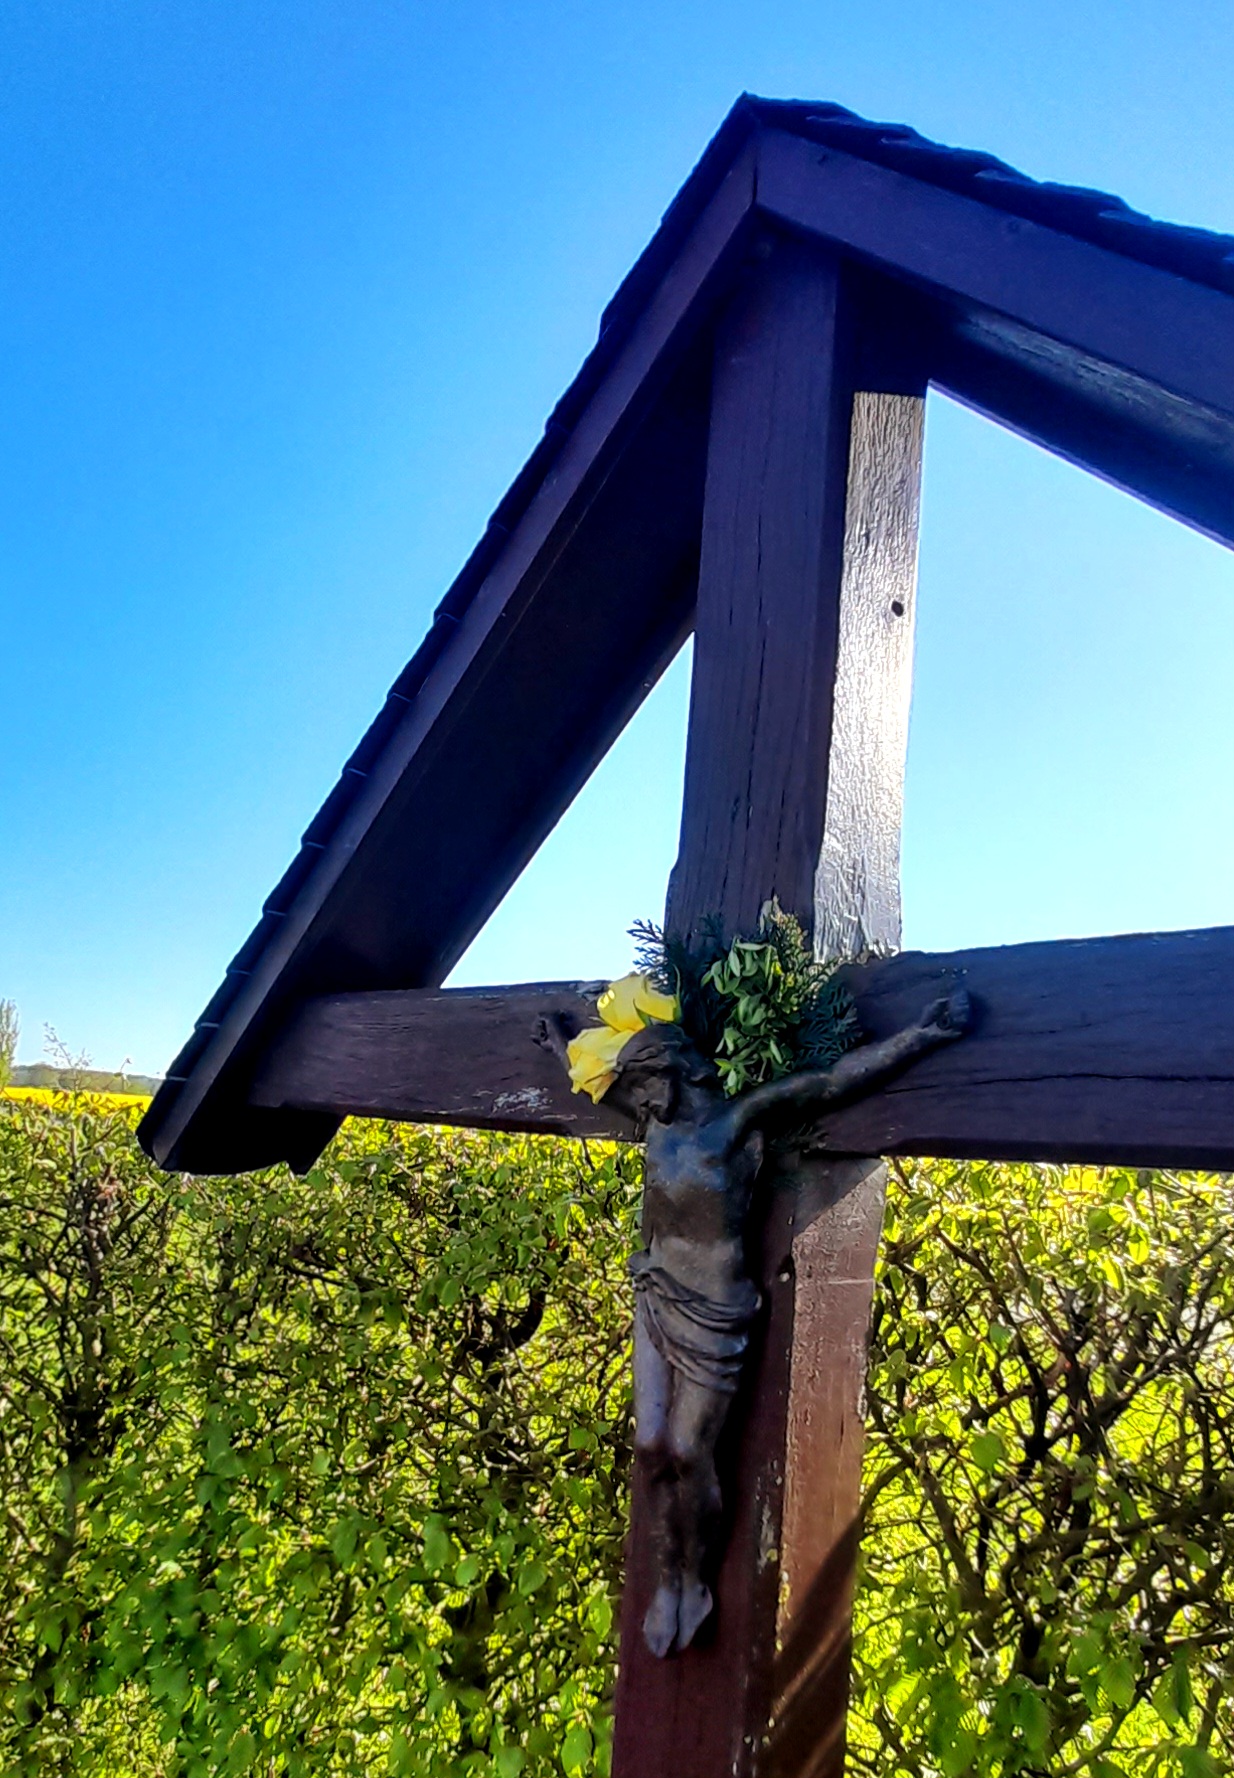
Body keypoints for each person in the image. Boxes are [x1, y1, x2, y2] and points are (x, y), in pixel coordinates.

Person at [536, 985, 971, 1656]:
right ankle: (667, 1577)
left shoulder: (735, 1124)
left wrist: (920, 1036)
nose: (636, 1102)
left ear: (673, 1076)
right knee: (649, 1447)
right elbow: (592, 1089)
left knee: (688, 1451)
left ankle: (693, 1579)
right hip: (655, 1292)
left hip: (715, 1310)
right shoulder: (656, 1121)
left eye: (643, 1087)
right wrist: (559, 1047)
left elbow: (826, 1083)